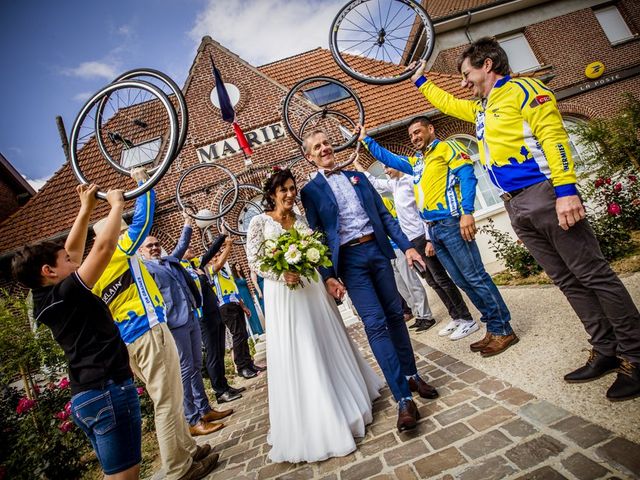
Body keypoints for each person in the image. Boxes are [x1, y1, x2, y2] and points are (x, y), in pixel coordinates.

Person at [410, 37, 640, 400]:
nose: (464, 83)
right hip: (516, 204)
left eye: (467, 73)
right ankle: (606, 348)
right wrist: (421, 81)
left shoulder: (524, 89)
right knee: (566, 279)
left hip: (546, 195)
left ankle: (635, 357)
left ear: (487, 64)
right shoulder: (483, 107)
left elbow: (554, 136)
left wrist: (565, 191)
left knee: (594, 275)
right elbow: (449, 103)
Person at [300, 130, 439, 433]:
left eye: (326, 143)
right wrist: (328, 276)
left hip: (377, 252)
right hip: (350, 263)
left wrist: (408, 247)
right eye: (317, 147)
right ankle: (403, 399)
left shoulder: (358, 178)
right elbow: (318, 236)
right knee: (375, 324)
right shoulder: (309, 191)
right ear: (309, 156)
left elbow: (385, 217)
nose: (324, 149)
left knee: (396, 318)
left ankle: (413, 375)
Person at [246, 167, 385, 462]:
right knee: (300, 347)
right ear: (272, 194)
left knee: (322, 341)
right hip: (283, 293)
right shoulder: (259, 222)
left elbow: (317, 250)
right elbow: (255, 261)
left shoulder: (300, 220)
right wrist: (281, 273)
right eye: (283, 189)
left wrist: (323, 274)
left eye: (293, 188)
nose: (289, 194)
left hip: (311, 288)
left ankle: (344, 401)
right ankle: (317, 417)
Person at [91, 169, 218, 480]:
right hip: (147, 332)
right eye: (119, 230)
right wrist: (142, 183)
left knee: (171, 397)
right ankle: (178, 469)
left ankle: (187, 450)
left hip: (132, 338)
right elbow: (144, 221)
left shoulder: (95, 269)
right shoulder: (116, 251)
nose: (125, 235)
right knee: (166, 402)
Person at [12, 185, 142, 479]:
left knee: (116, 472)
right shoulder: (68, 291)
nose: (76, 261)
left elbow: (68, 251)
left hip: (87, 397)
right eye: (68, 262)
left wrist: (84, 210)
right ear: (48, 270)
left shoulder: (45, 297)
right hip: (108, 390)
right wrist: (115, 206)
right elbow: (105, 248)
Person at [359, 121, 516, 355]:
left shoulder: (448, 148)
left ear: (430, 129)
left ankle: (503, 329)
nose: (414, 137)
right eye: (411, 135)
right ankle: (492, 328)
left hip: (452, 223)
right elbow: (392, 160)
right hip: (433, 229)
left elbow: (467, 177)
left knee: (475, 276)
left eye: (417, 132)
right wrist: (366, 140)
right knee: (461, 280)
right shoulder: (419, 162)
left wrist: (467, 213)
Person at [354, 156, 476, 336]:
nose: (386, 171)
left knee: (442, 279)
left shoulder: (411, 181)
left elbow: (424, 209)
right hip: (410, 242)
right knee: (432, 282)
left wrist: (429, 239)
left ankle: (467, 319)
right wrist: (357, 164)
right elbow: (374, 183)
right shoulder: (394, 184)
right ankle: (456, 317)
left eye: (387, 167)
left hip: (422, 238)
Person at [139, 215, 231, 435]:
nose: (154, 248)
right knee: (186, 370)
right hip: (174, 322)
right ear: (141, 251)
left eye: (156, 244)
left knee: (196, 365)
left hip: (190, 315)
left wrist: (188, 223)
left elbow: (181, 246)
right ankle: (192, 419)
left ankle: (205, 409)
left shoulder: (169, 261)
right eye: (149, 246)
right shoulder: (146, 269)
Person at [181, 232, 246, 405]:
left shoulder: (195, 264)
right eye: (187, 247)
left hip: (215, 312)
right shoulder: (181, 269)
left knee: (219, 350)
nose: (191, 248)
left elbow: (210, 253)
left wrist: (222, 236)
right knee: (212, 355)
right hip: (203, 317)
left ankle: (225, 386)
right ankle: (219, 392)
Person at [377, 191, 435, 332]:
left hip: (398, 248)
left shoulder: (383, 200)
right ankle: (418, 315)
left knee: (412, 283)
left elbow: (394, 222)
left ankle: (426, 316)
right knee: (401, 287)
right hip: (386, 253)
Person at [231, 262, 264, 336]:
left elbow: (248, 286)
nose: (239, 266)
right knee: (248, 313)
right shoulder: (234, 278)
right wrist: (239, 298)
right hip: (242, 296)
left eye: (239, 265)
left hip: (248, 295)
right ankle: (253, 332)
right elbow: (235, 289)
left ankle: (259, 330)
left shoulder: (242, 275)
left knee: (253, 311)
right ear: (234, 268)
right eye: (237, 265)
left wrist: (251, 294)